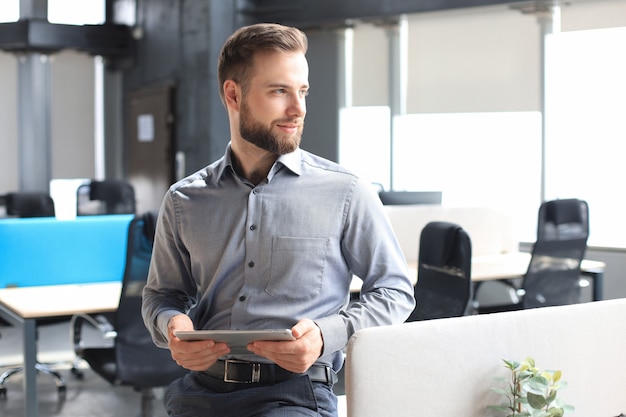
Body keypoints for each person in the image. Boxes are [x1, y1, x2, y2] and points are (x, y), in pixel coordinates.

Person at [142, 22, 415, 417]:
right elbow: (161, 296)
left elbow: (394, 291)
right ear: (233, 94)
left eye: (302, 91)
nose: (298, 109)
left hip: (295, 394)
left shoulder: (346, 191)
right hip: (200, 393)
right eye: (279, 91)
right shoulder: (185, 198)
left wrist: (325, 336)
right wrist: (172, 326)